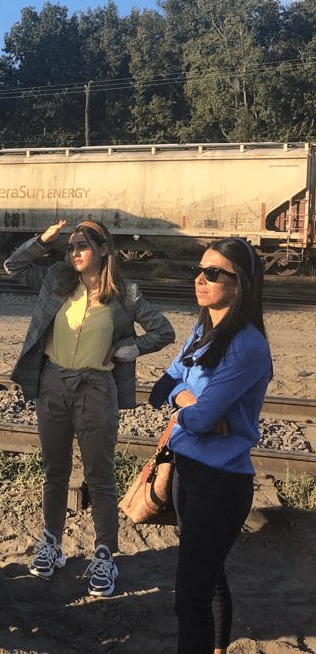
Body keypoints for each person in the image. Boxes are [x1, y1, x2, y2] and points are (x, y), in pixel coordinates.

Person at [4, 219, 174, 596]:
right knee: (55, 471)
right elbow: (13, 266)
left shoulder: (125, 294)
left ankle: (104, 554)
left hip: (96, 389)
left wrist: (135, 348)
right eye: (71, 247)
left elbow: (164, 331)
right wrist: (43, 238)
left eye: (82, 246)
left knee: (99, 475)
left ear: (103, 250)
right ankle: (51, 543)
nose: (74, 253)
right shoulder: (57, 281)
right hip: (53, 384)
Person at [153, 238, 271, 654]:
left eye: (214, 273)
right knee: (207, 577)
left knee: (190, 598)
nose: (200, 279)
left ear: (241, 285)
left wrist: (191, 409)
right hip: (188, 469)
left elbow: (201, 420)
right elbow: (161, 387)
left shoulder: (248, 345)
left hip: (220, 484)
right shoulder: (203, 331)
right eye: (200, 271)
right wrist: (187, 399)